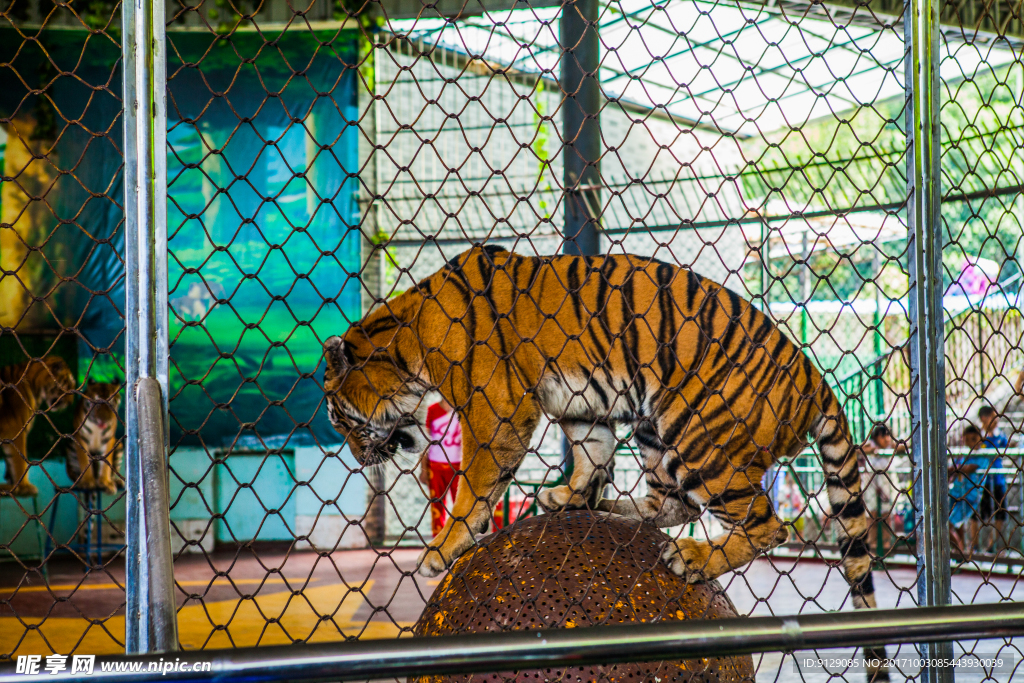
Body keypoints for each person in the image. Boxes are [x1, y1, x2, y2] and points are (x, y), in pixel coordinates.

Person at [857, 425, 905, 553]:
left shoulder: (891, 447)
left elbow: (904, 447)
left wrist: (894, 445)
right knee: (871, 515)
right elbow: (857, 450)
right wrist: (870, 449)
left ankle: (885, 545)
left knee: (886, 515)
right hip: (872, 485)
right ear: (876, 437)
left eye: (888, 435)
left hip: (887, 485)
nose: (886, 439)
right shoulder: (870, 445)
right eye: (883, 436)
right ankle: (872, 546)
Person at [420, 400, 463, 537]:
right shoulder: (432, 410)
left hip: (458, 466)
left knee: (462, 505)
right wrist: (423, 469)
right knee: (437, 505)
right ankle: (438, 540)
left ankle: (460, 538)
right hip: (435, 466)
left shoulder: (463, 410)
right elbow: (425, 441)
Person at [949, 425, 987, 559]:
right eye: (968, 439)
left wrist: (952, 469)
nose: (972, 443)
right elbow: (957, 468)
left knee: (948, 525)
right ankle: (961, 551)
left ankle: (960, 554)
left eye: (974, 439)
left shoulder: (982, 455)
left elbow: (968, 468)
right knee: (954, 525)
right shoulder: (964, 454)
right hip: (956, 493)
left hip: (970, 496)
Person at [977, 405, 1009, 552]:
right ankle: (977, 545)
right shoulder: (978, 436)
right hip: (982, 480)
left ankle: (993, 544)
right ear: (984, 418)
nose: (996, 420)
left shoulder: (1000, 436)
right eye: (993, 416)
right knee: (982, 512)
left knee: (999, 511)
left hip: (998, 479)